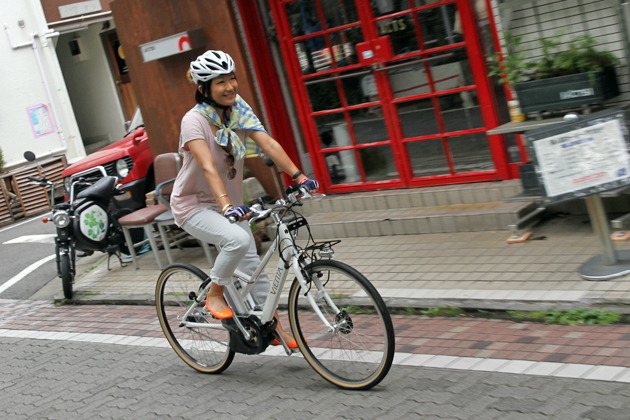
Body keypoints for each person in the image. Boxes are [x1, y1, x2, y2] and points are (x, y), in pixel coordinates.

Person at [170, 50, 318, 349]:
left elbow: (268, 143)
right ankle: (215, 293)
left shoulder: (238, 110)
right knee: (237, 241)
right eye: (220, 82)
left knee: (255, 269)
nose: (230, 87)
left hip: (232, 206)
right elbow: (209, 166)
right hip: (194, 205)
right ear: (204, 89)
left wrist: (298, 176)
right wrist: (226, 205)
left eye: (232, 78)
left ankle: (273, 326)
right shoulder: (193, 121)